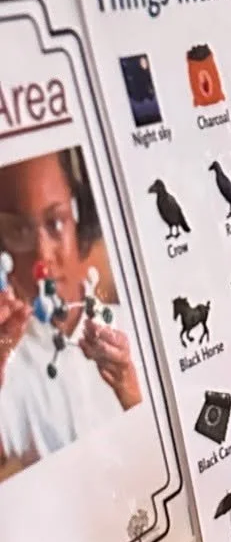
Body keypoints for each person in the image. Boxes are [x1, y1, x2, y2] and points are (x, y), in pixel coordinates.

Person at [0, 146, 142, 472]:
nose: (42, 256)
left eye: (55, 222)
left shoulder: (134, 329)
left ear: (82, 222)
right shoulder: (8, 366)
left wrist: (128, 389)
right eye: (19, 230)